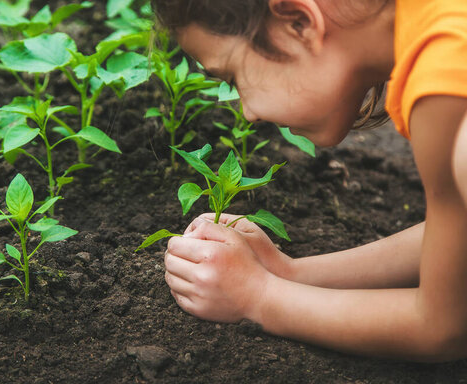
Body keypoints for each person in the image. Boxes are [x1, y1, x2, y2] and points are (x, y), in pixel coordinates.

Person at [153, 0, 467, 361]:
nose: (247, 112)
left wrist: (259, 297)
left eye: (234, 78)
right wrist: (290, 273)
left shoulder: (449, 94)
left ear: (300, 23)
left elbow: (444, 326)